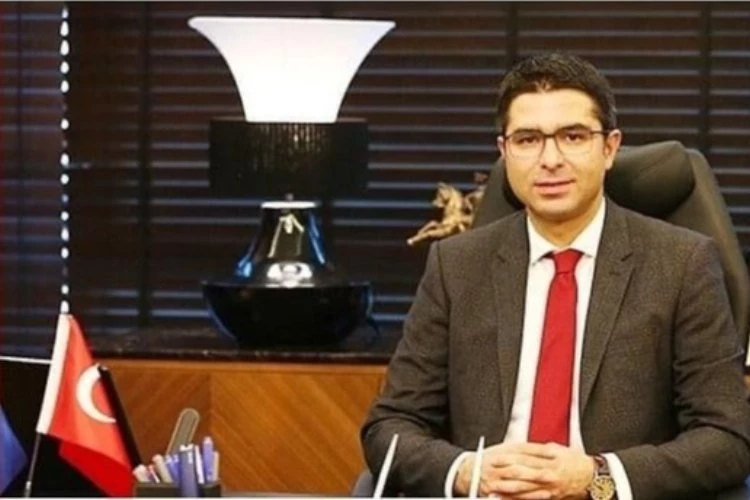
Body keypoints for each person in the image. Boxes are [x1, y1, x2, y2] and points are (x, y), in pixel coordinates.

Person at [361, 52, 750, 500]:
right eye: (528, 139)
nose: (550, 159)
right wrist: (468, 472)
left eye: (573, 136)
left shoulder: (682, 263)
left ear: (609, 148)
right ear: (505, 151)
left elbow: (727, 438)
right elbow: (390, 425)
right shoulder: (457, 265)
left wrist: (596, 477)